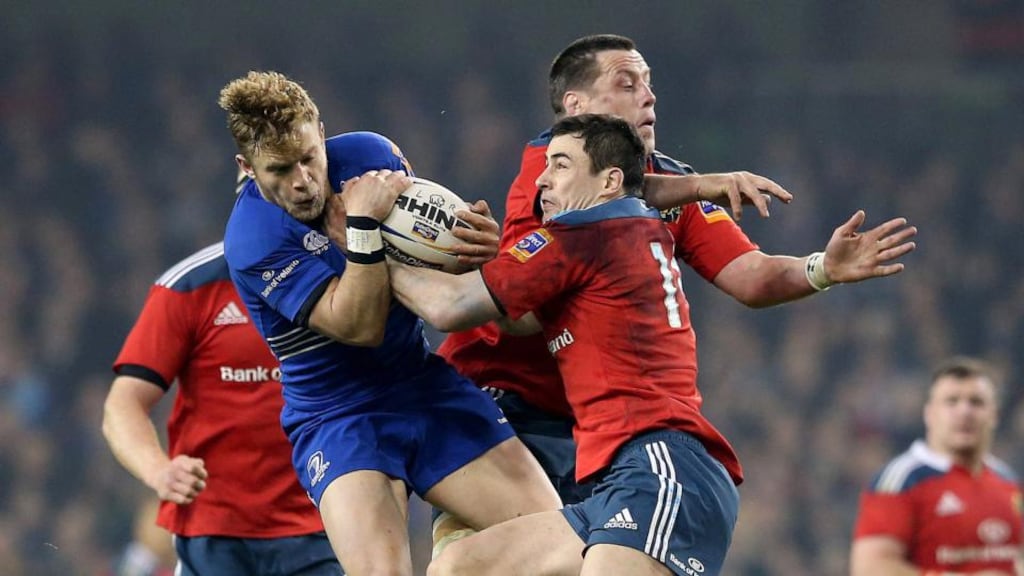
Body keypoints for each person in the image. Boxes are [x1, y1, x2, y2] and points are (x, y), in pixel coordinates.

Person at [389, 113, 916, 575]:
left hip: (662, 467)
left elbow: (448, 308)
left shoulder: (578, 238)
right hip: (616, 483)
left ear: (609, 180)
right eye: (544, 166)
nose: (542, 182)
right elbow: (519, 321)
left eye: (560, 166)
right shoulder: (624, 230)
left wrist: (366, 246)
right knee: (463, 565)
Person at [217, 70, 561, 576]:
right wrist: (360, 228)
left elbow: (431, 260)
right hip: (338, 417)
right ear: (248, 167)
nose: (302, 180)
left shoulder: (371, 158)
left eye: (310, 158)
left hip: (422, 384)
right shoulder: (253, 238)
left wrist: (475, 250)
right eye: (279, 169)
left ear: (321, 130)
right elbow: (359, 326)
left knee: (559, 542)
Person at [102, 233, 342, 575]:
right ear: (248, 177)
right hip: (213, 535)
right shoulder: (189, 285)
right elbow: (123, 403)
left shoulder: (340, 274)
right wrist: (158, 470)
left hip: (322, 524)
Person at [851, 357, 1023, 576]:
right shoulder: (902, 480)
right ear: (929, 413)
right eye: (952, 401)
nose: (965, 412)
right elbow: (871, 569)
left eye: (976, 402)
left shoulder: (1006, 480)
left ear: (995, 415)